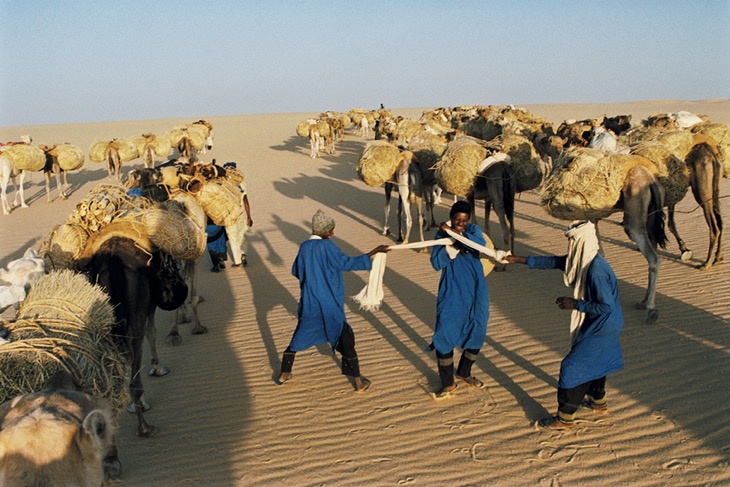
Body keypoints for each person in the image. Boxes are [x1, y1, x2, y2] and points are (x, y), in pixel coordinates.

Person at [505, 220, 624, 430]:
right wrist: (518, 260)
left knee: (572, 366)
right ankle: (598, 402)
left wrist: (575, 304)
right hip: (604, 323)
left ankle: (564, 418)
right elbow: (555, 262)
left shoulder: (595, 270)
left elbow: (606, 306)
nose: (570, 247)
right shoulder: (584, 261)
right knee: (597, 361)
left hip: (603, 325)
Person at [275, 209, 390, 392]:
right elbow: (347, 263)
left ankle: (284, 374)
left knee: (298, 338)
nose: (333, 233)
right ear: (325, 231)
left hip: (309, 303)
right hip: (329, 304)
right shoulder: (328, 246)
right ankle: (359, 382)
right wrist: (374, 252)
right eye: (331, 229)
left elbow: (296, 271)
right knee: (345, 338)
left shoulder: (304, 247)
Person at [428, 200, 490, 400]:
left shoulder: (473, 231)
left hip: (476, 289)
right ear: (452, 217)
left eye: (464, 220)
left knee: (478, 329)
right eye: (457, 220)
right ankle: (448, 384)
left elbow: (479, 244)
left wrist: (456, 235)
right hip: (452, 289)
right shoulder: (441, 234)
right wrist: (450, 244)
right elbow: (436, 262)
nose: (460, 223)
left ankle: (464, 372)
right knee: (444, 332)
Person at [222, 162, 253, 267]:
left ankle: (237, 260)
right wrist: (249, 216)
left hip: (229, 215)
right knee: (241, 235)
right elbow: (245, 200)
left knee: (233, 237)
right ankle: (242, 254)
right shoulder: (241, 183)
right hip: (240, 214)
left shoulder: (223, 184)